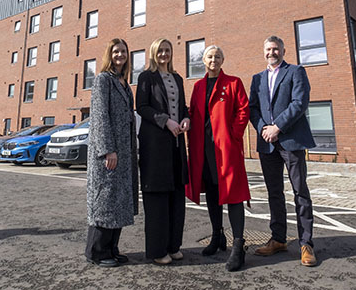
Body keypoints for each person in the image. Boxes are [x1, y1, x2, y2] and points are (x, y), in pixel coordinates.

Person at [249, 35, 317, 267]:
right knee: (274, 193)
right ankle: (278, 239)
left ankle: (306, 244)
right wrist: (263, 129)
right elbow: (252, 108)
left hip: (291, 140)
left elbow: (299, 103)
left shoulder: (296, 72)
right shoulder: (257, 78)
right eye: (268, 49)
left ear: (283, 51)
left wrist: (277, 127)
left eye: (276, 49)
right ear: (264, 52)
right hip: (267, 143)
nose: (272, 53)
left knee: (300, 192)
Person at [186, 45, 250, 271]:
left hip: (226, 149)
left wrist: (233, 134)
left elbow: (243, 110)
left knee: (233, 195)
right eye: (210, 57)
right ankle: (217, 235)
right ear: (204, 60)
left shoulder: (234, 83)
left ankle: (238, 245)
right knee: (212, 192)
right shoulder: (198, 86)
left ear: (223, 60)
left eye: (218, 56)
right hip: (204, 149)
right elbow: (193, 113)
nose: (214, 60)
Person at [136, 38, 190, 265]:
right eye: (160, 51)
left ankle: (173, 246)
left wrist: (186, 118)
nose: (164, 54)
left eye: (167, 51)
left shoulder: (178, 78)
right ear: (153, 53)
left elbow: (183, 107)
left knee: (177, 195)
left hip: (176, 146)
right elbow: (142, 107)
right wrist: (166, 121)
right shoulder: (146, 77)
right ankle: (158, 250)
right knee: (157, 198)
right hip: (155, 146)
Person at [85, 39, 139, 268]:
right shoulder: (103, 80)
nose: (120, 55)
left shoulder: (124, 83)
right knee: (105, 202)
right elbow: (100, 116)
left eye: (123, 51)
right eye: (116, 51)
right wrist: (108, 150)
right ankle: (96, 252)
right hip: (109, 153)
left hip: (124, 152)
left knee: (119, 202)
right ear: (110, 54)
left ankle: (111, 249)